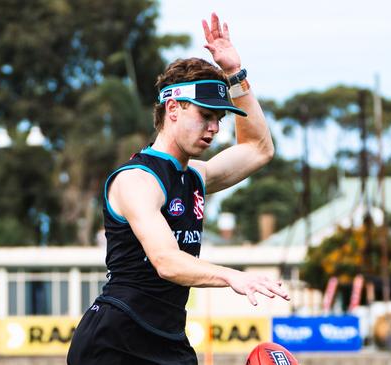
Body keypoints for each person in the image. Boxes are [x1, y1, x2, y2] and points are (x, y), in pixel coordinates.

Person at [68, 12, 289, 365]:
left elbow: (259, 149)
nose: (215, 128)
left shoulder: (195, 176)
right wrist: (233, 277)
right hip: (115, 339)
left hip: (168, 339)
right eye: (205, 115)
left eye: (219, 118)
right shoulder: (137, 180)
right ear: (173, 108)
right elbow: (167, 262)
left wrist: (235, 73)